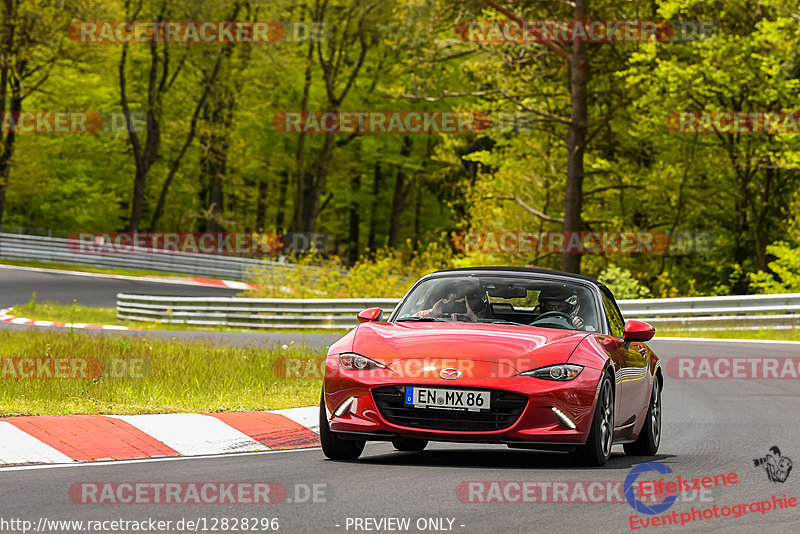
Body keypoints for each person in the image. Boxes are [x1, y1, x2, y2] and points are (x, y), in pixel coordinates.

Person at [413, 284, 488, 321]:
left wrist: (472, 317)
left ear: (476, 301)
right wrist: (432, 312)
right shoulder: (435, 317)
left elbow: (487, 333)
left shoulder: (486, 316)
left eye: (463, 302)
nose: (456, 304)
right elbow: (407, 320)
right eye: (454, 301)